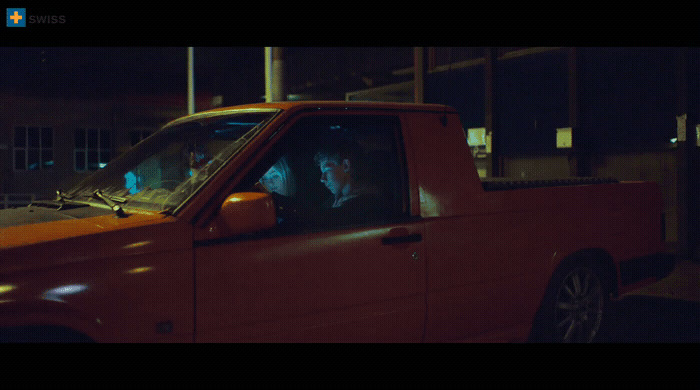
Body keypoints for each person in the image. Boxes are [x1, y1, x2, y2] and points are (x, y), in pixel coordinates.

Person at [313, 139, 387, 226]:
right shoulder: (333, 201)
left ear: (346, 166)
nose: (322, 179)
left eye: (327, 170)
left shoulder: (366, 207)